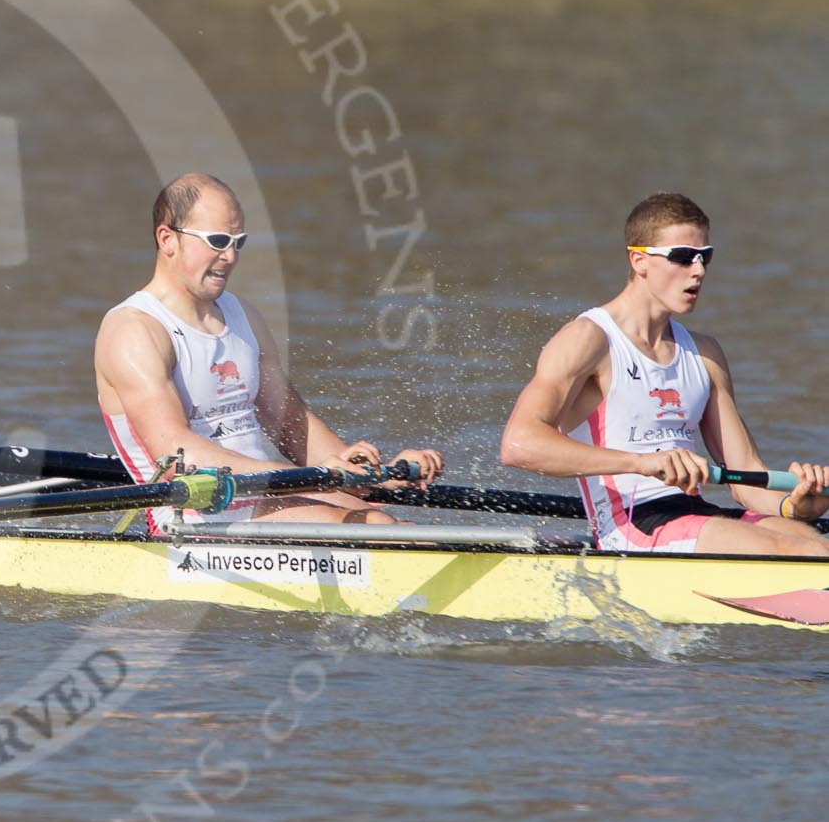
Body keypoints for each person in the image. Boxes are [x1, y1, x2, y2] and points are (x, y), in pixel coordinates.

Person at [94, 173, 442, 533]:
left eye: (238, 241)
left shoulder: (243, 316)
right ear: (167, 239)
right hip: (191, 516)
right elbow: (176, 458)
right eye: (217, 241)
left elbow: (291, 424)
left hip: (262, 495)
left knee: (395, 522)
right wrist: (318, 477)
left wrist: (372, 474)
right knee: (379, 526)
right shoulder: (134, 331)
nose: (230, 256)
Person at [500, 191, 828, 556]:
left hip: (694, 512)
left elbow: (745, 476)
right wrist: (641, 463)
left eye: (705, 256)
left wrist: (794, 506)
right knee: (799, 553)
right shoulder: (589, 339)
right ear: (639, 260)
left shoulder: (705, 353)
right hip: (631, 525)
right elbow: (519, 444)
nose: (698, 270)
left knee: (814, 544)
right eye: (683, 257)